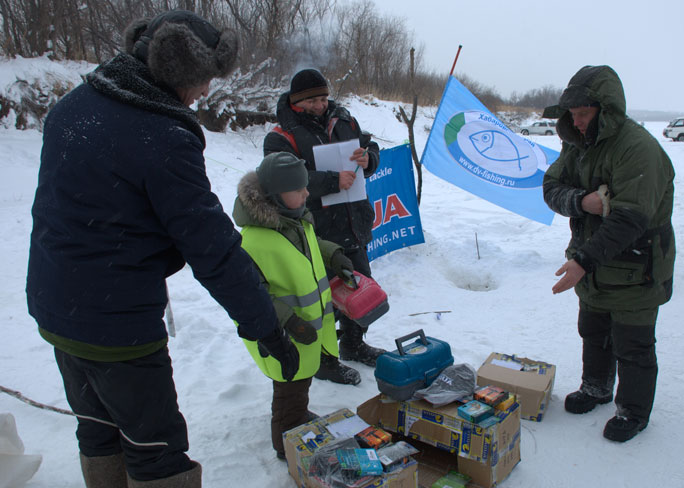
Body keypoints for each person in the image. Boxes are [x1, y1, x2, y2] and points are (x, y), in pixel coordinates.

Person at [25, 10, 299, 487]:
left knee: (97, 429)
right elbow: (213, 248)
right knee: (156, 452)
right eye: (205, 79)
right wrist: (266, 326)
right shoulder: (162, 137)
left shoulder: (73, 105)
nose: (206, 91)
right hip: (118, 326)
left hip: (55, 308)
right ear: (179, 71)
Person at [543, 65, 675, 442]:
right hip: (595, 264)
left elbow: (630, 220)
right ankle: (596, 387)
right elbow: (551, 186)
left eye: (583, 114)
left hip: (638, 268)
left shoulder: (639, 149)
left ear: (607, 110)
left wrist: (583, 262)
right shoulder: (578, 146)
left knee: (632, 343)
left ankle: (632, 410)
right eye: (572, 115)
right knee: (594, 329)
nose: (577, 122)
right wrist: (581, 201)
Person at [263, 68, 386, 385]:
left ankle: (353, 344)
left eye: (324, 97)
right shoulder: (280, 136)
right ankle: (324, 359)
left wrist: (368, 159)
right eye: (313, 100)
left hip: (354, 221)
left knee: (361, 292)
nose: (320, 105)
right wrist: (332, 181)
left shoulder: (344, 119)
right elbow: (281, 182)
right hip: (315, 231)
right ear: (296, 101)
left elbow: (370, 147)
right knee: (322, 302)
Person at [232, 151, 355, 459]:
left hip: (307, 330)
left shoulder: (294, 219)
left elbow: (308, 247)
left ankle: (297, 418)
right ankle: (286, 439)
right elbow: (249, 294)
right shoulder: (254, 241)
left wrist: (333, 255)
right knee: (289, 386)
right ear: (273, 195)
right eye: (297, 189)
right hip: (283, 333)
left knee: (301, 382)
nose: (306, 193)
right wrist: (287, 321)